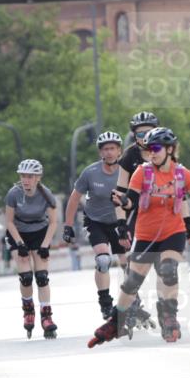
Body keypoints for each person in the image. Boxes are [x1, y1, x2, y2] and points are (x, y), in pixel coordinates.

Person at [90, 128, 190, 347]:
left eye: (156, 148)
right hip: (146, 234)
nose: (152, 153)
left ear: (170, 149)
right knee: (132, 281)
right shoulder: (142, 172)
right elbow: (131, 199)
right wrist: (123, 202)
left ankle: (169, 316)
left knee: (168, 270)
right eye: (149, 149)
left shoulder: (181, 174)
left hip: (173, 232)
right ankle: (116, 320)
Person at [63, 130, 128, 319]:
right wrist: (68, 226)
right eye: (105, 149)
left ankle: (133, 299)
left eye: (113, 148)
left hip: (120, 221)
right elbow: (74, 198)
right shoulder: (90, 173)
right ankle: (105, 303)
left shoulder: (127, 172)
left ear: (119, 151)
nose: (109, 152)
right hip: (95, 221)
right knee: (103, 260)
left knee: (127, 263)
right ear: (100, 152)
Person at [4, 159, 58, 339]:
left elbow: (53, 222)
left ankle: (46, 316)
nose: (26, 180)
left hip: (40, 232)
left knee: (41, 277)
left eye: (30, 176)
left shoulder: (46, 194)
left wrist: (45, 245)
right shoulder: (13, 193)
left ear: (38, 178)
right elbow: (9, 222)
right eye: (23, 176)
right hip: (18, 232)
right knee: (26, 277)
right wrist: (20, 244)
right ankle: (28, 311)